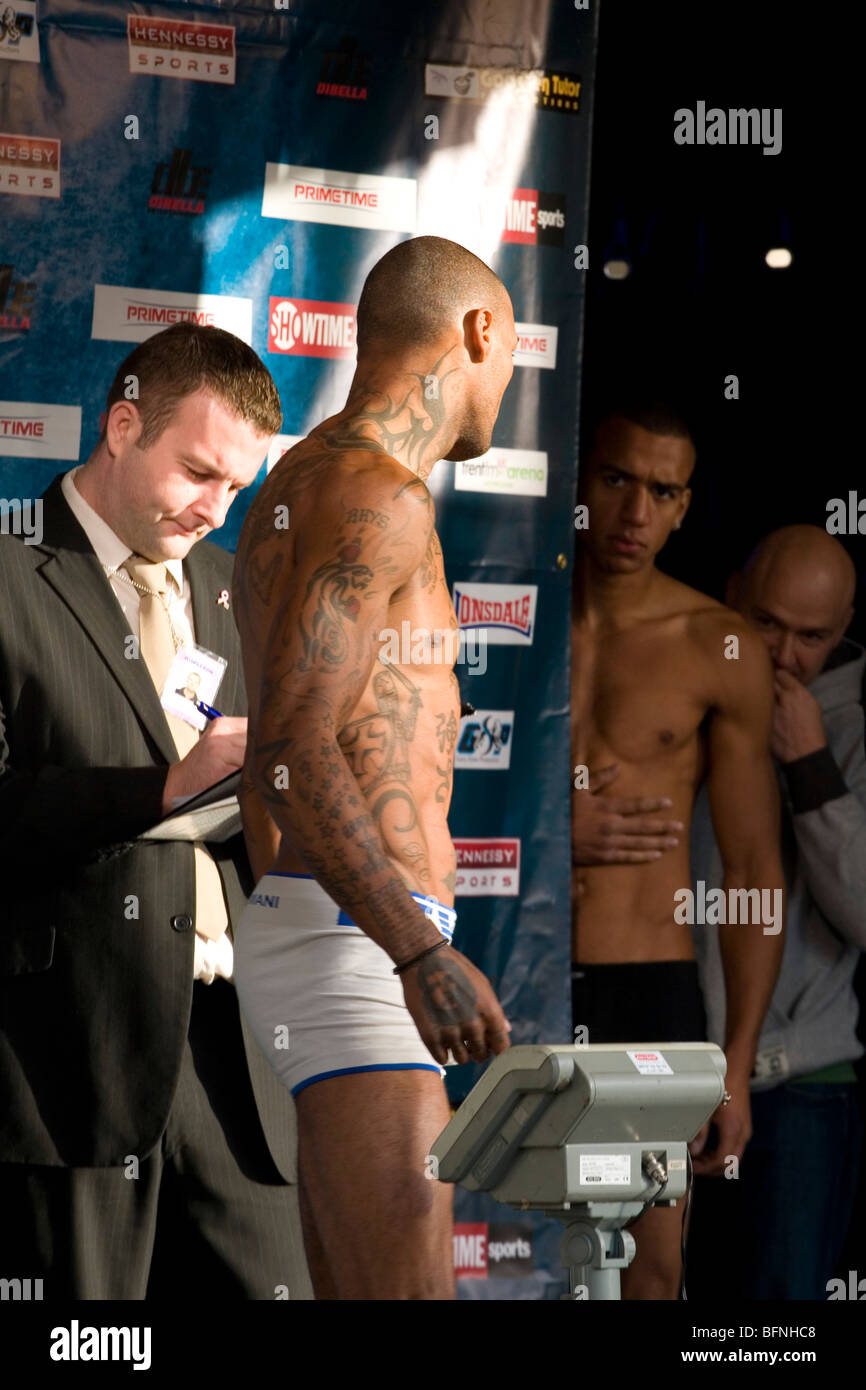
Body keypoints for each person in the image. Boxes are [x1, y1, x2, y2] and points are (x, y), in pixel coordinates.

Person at [0, 323, 312, 1299]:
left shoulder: (233, 590)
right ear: (122, 426)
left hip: (237, 1052)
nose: (216, 509)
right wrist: (163, 790)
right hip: (72, 1058)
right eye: (199, 473)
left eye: (236, 486)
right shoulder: (8, 575)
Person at [232, 235, 515, 1300]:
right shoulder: (373, 495)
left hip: (339, 929)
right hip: (355, 937)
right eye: (511, 350)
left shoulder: (318, 478)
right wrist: (413, 951)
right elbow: (291, 749)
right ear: (478, 331)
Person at [570, 399, 786, 1299]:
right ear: (581, 480)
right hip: (499, 972)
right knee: (486, 1251)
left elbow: (752, 872)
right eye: (617, 481)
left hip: (643, 990)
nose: (634, 515)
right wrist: (552, 829)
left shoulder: (717, 646)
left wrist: (733, 1062)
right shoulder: (499, 617)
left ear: (686, 507)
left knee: (649, 1277)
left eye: (662, 492)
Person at [687, 525, 866, 1300]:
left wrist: (810, 767)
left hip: (803, 1084)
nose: (786, 655)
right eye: (767, 624)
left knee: (777, 1343)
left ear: (843, 632)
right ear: (732, 596)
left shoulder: (855, 728)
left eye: (812, 637)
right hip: (672, 1075)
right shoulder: (681, 689)